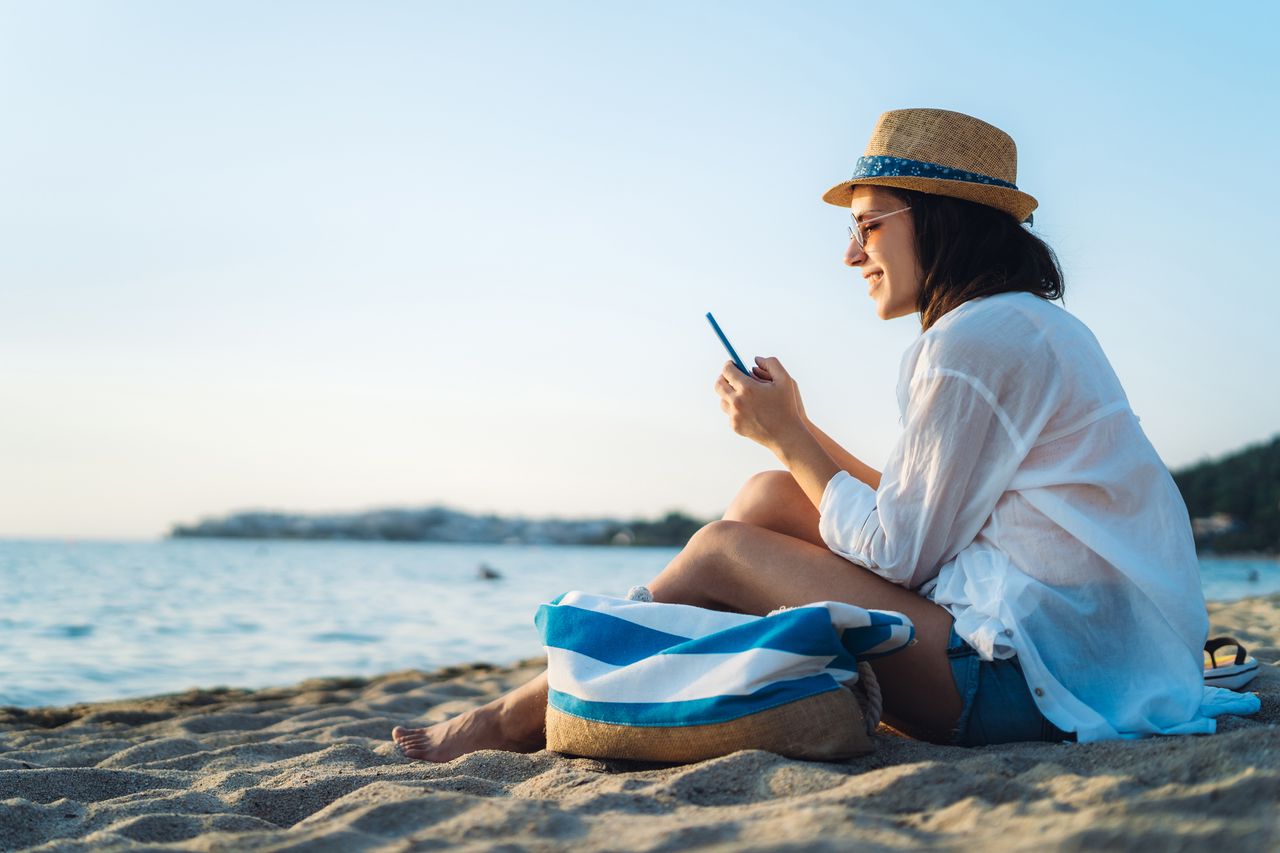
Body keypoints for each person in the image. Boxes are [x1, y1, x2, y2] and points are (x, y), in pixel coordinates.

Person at [392, 107, 1220, 757]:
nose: (852, 253)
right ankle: (621, 675)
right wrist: (792, 434)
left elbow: (903, 552)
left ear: (939, 218)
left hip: (1035, 684)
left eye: (868, 224)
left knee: (721, 547)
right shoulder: (1024, 326)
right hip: (1092, 654)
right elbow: (924, 514)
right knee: (765, 495)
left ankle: (519, 713)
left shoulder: (968, 345)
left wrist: (788, 434)